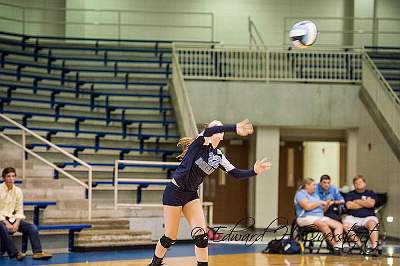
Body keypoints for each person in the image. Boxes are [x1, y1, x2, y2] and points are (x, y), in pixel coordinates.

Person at [148, 119, 271, 266]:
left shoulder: (218, 156)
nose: (218, 129)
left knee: (202, 237)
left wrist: (254, 171)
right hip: (174, 192)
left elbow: (235, 173)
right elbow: (208, 131)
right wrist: (235, 127)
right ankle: (155, 263)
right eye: (215, 127)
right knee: (170, 237)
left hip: (191, 196)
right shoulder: (201, 142)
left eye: (221, 128)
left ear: (223, 135)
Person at [0, 167, 52, 260]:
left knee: (32, 227)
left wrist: (17, 223)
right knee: (3, 227)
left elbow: (19, 209)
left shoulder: (18, 191)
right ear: (4, 178)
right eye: (8, 176)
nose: (11, 179)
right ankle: (15, 254)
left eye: (13, 176)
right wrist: (6, 223)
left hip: (12, 218)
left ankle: (37, 252)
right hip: (1, 219)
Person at [294, 178, 346, 252]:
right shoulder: (300, 194)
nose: (315, 186)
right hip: (305, 217)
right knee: (322, 224)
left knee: (338, 225)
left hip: (319, 217)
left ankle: (340, 244)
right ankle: (335, 246)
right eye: (313, 185)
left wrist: (326, 205)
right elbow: (307, 207)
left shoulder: (315, 195)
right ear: (307, 186)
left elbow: (322, 211)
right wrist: (319, 202)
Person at [343, 175, 379, 256]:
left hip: (368, 217)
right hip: (353, 218)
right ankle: (361, 245)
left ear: (365, 183)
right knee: (345, 225)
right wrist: (365, 203)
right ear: (354, 185)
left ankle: (374, 248)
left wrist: (357, 201)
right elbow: (349, 206)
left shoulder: (371, 193)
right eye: (356, 183)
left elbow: (371, 204)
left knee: (372, 224)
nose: (358, 184)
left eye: (360, 182)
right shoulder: (350, 194)